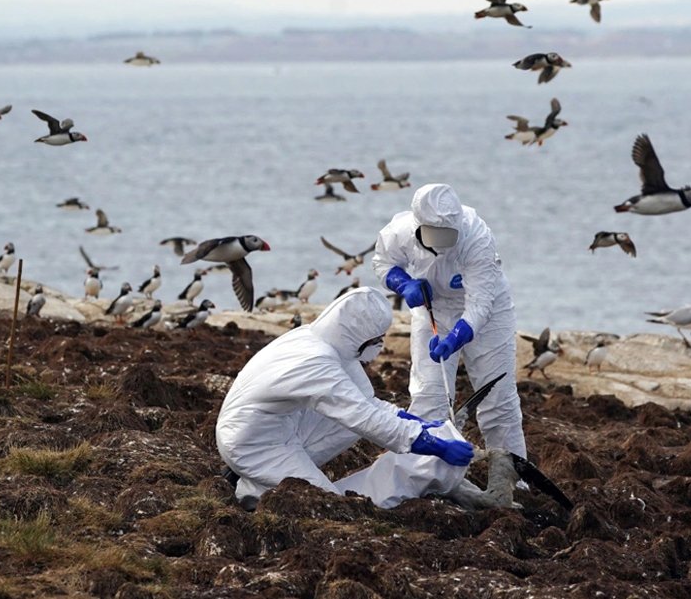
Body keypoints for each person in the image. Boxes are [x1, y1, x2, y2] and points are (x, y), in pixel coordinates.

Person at [215, 287, 474, 509]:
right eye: (377, 339)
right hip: (251, 443)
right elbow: (363, 417)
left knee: (347, 425)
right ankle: (253, 486)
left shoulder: (328, 341)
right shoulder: (316, 362)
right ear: (358, 334)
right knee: (325, 503)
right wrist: (434, 445)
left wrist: (416, 423)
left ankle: (254, 485)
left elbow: (366, 401)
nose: (380, 345)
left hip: (278, 425)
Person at [373, 183, 527, 459]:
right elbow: (383, 262)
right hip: (432, 308)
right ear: (419, 225)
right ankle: (421, 472)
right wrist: (403, 283)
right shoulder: (399, 231)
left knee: (498, 400)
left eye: (448, 235)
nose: (443, 242)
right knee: (428, 396)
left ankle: (511, 474)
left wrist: (456, 337)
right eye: (435, 234)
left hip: (489, 312)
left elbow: (480, 304)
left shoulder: (476, 236)